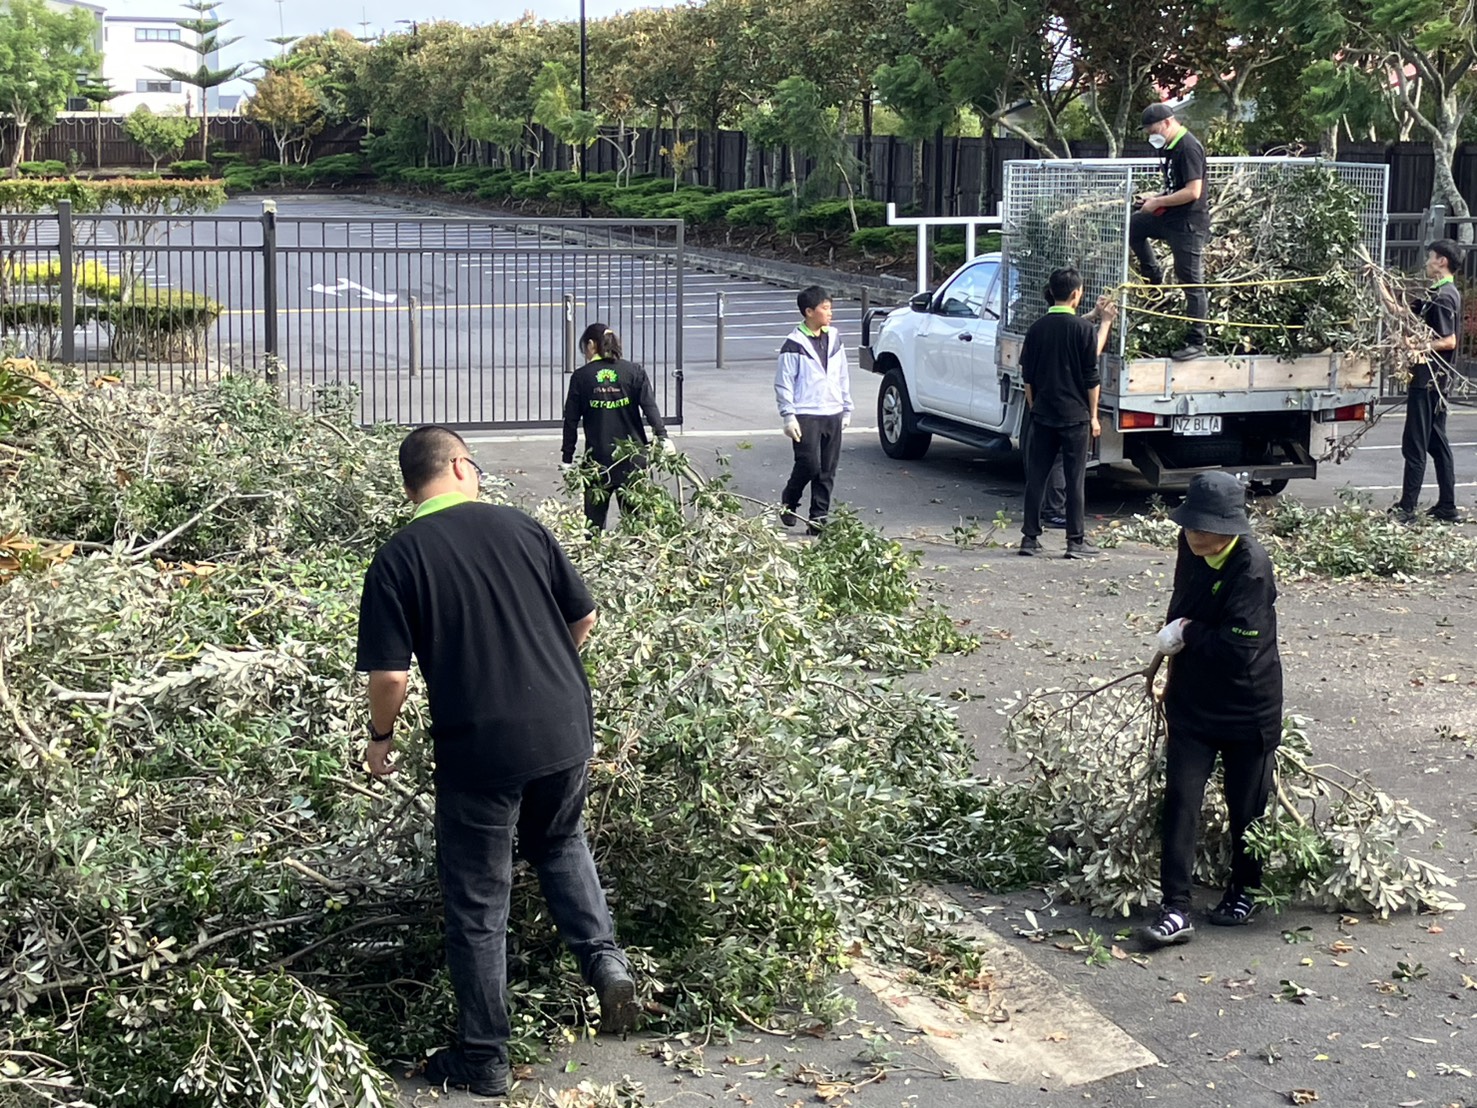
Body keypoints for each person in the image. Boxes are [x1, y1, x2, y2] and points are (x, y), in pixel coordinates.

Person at [356, 426, 637, 1097]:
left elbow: (390, 677)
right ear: (460, 466)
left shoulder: (398, 558)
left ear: (411, 488)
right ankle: (606, 966)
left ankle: (483, 1058)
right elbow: (584, 617)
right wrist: (542, 671)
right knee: (558, 840)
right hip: (565, 726)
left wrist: (379, 737)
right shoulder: (522, 527)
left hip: (480, 746)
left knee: (479, 898)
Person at [1144, 471, 1283, 947]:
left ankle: (1244, 890)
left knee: (1247, 808)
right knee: (1181, 801)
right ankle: (1175, 907)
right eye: (1189, 525)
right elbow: (1184, 600)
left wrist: (1187, 632)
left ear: (1230, 528)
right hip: (1194, 703)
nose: (1194, 535)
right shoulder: (1191, 547)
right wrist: (1170, 666)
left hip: (1248, 706)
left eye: (1205, 528)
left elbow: (1238, 647)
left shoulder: (1251, 567)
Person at [1018, 267, 1117, 559]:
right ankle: (1075, 541)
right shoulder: (1082, 330)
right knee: (1075, 479)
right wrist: (1094, 416)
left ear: (1052, 292)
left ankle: (1029, 539)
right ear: (1076, 294)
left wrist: (1035, 407)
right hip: (1075, 417)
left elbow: (1027, 378)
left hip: (1043, 414)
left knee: (1036, 477)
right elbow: (1091, 377)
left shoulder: (1036, 329)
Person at [561, 323, 675, 530]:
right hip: (632, 459)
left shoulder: (581, 377)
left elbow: (570, 421)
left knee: (593, 527)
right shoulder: (633, 371)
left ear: (591, 345)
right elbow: (649, 407)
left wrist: (567, 459)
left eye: (584, 349)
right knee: (636, 526)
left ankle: (593, 550)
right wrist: (663, 436)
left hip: (597, 462)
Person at [1390, 239, 1463, 523]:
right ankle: (1447, 507)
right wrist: (1380, 286)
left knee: (1415, 443)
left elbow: (1449, 340)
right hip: (1435, 382)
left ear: (1442, 261)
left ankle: (1407, 509)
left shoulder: (1444, 297)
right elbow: (1405, 313)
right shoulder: (1437, 292)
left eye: (1431, 257)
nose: (1427, 261)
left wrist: (1418, 347)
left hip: (1430, 380)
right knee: (1436, 442)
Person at [1131, 104, 1211, 362]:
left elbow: (1192, 192)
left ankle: (1197, 341)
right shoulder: (1169, 147)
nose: (1150, 135)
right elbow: (1174, 187)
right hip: (1169, 217)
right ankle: (1153, 278)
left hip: (1188, 224)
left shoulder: (1188, 147)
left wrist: (1158, 202)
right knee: (1134, 226)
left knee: (1190, 279)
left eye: (1151, 130)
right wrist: (1152, 198)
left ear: (1166, 123)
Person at [775, 285, 854, 535]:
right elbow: (784, 382)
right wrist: (788, 416)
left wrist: (846, 408)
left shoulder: (835, 338)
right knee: (809, 464)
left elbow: (842, 374)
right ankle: (789, 499)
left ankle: (818, 520)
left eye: (830, 308)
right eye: (825, 308)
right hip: (806, 413)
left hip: (833, 411)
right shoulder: (794, 344)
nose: (830, 313)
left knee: (827, 470)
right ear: (809, 312)